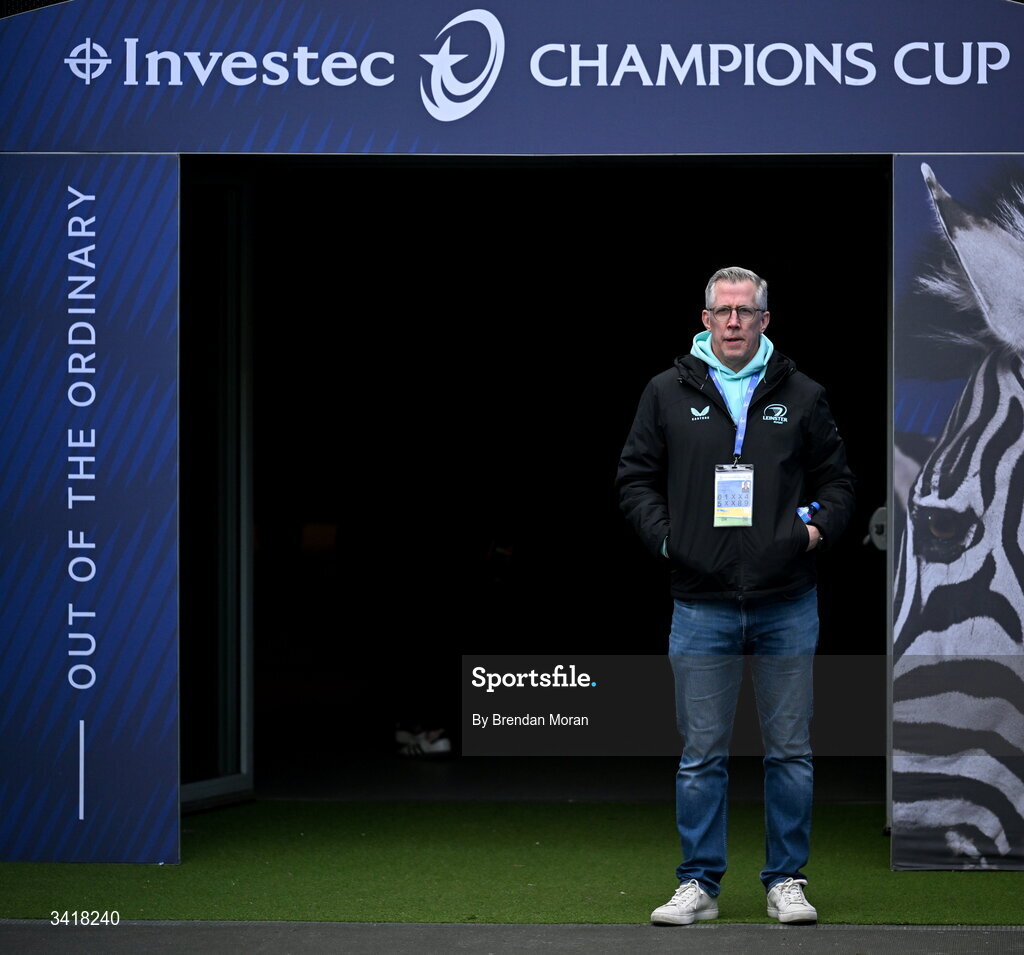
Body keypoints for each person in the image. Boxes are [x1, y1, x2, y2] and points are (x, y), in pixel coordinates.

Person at [615, 266, 854, 926]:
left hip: (786, 600)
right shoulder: (667, 391)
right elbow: (634, 478)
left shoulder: (802, 393)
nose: (733, 321)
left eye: (745, 311)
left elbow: (838, 483)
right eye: (722, 311)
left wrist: (810, 532)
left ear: (764, 320)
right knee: (701, 757)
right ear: (705, 318)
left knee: (790, 753)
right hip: (700, 601)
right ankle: (699, 883)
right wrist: (669, 540)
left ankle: (787, 881)